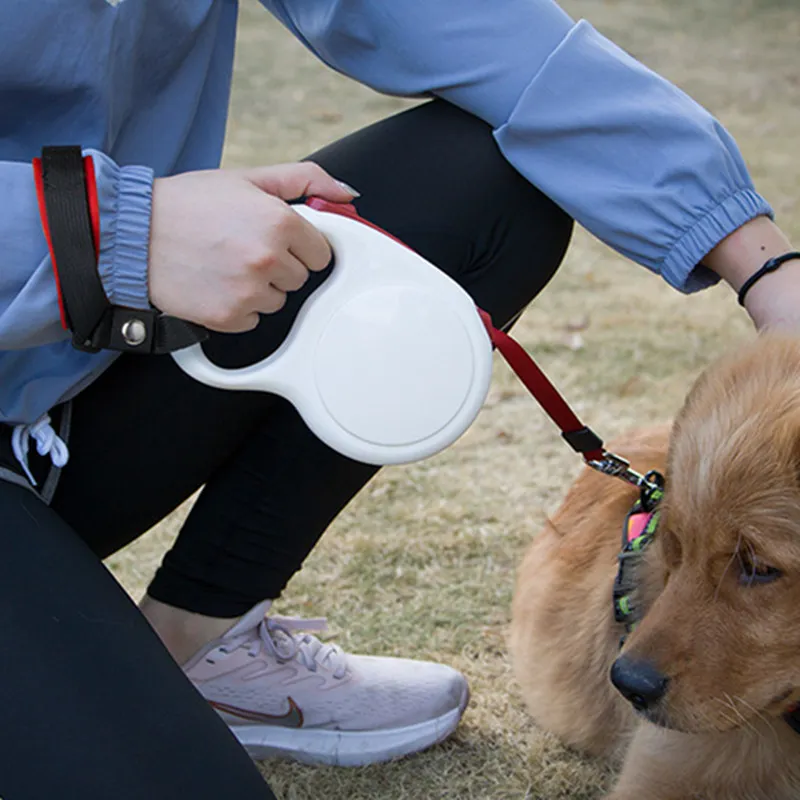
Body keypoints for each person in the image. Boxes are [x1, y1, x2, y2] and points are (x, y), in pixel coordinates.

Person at [1, 1, 797, 798]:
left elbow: (500, 43)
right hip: (83, 265)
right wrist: (98, 231)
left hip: (77, 378)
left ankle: (191, 641)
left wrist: (767, 270)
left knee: (487, 174)